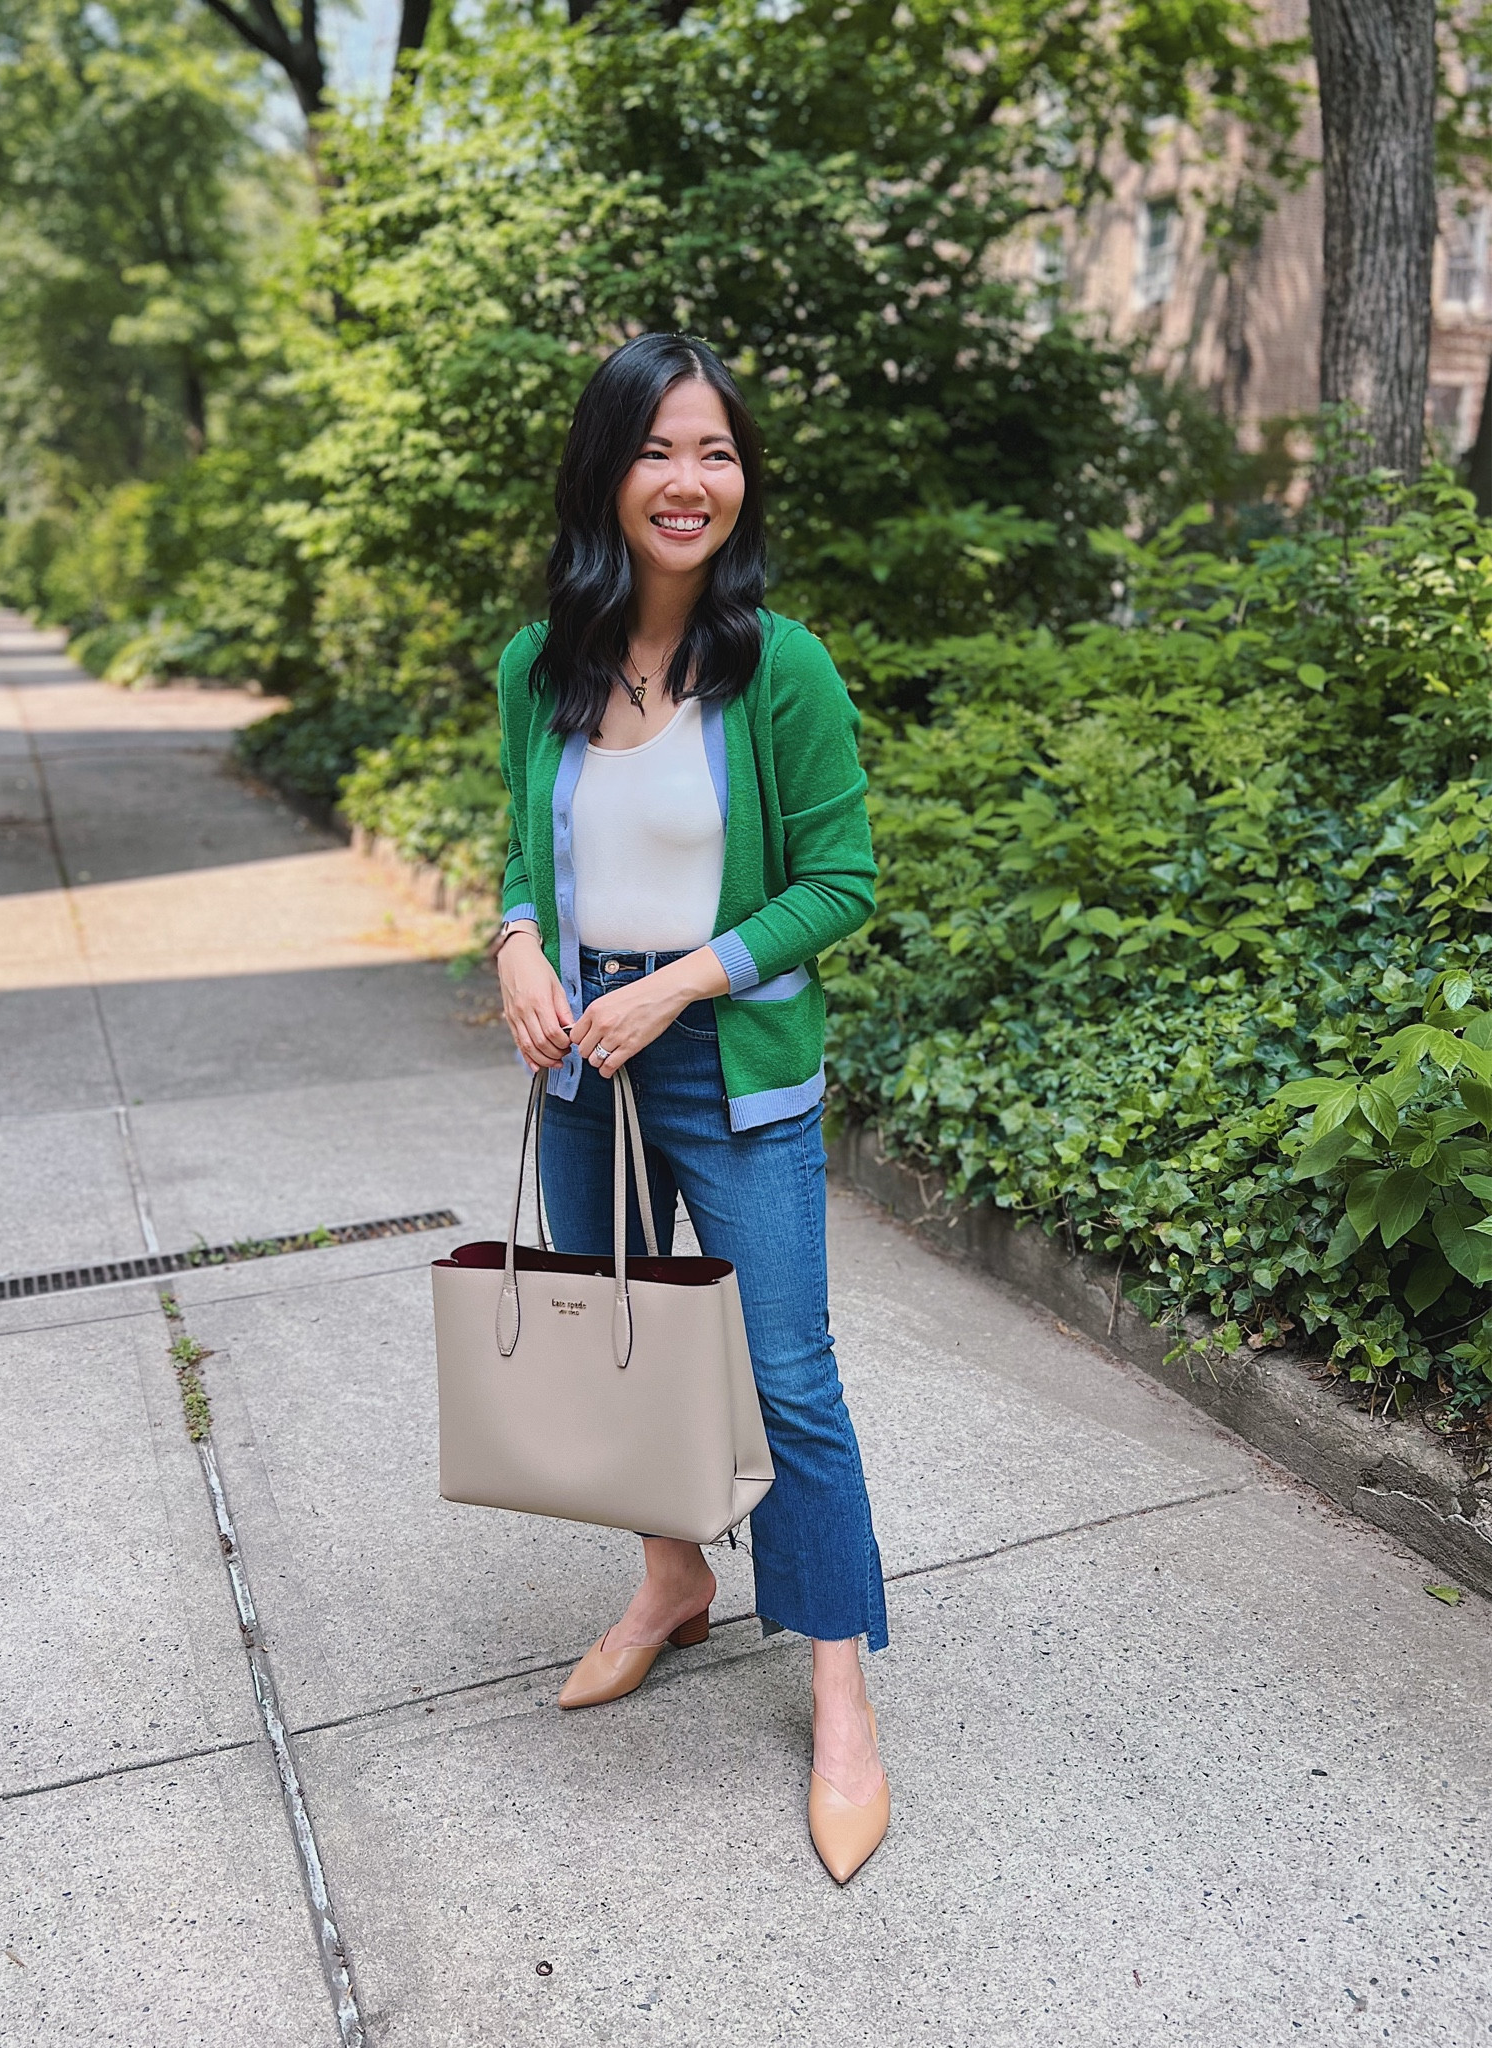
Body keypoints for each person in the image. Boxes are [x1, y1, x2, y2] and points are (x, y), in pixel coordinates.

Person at [491, 331, 888, 1884]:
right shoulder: (539, 666)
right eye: (658, 449)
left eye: (714, 451)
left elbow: (838, 882)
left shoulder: (778, 665)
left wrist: (677, 986)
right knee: (617, 1346)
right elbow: (526, 854)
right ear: (607, 471)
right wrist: (516, 942)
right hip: (577, 1058)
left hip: (727, 1062)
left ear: (741, 480)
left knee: (787, 1380)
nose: (688, 479)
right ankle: (670, 1581)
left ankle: (839, 1696)